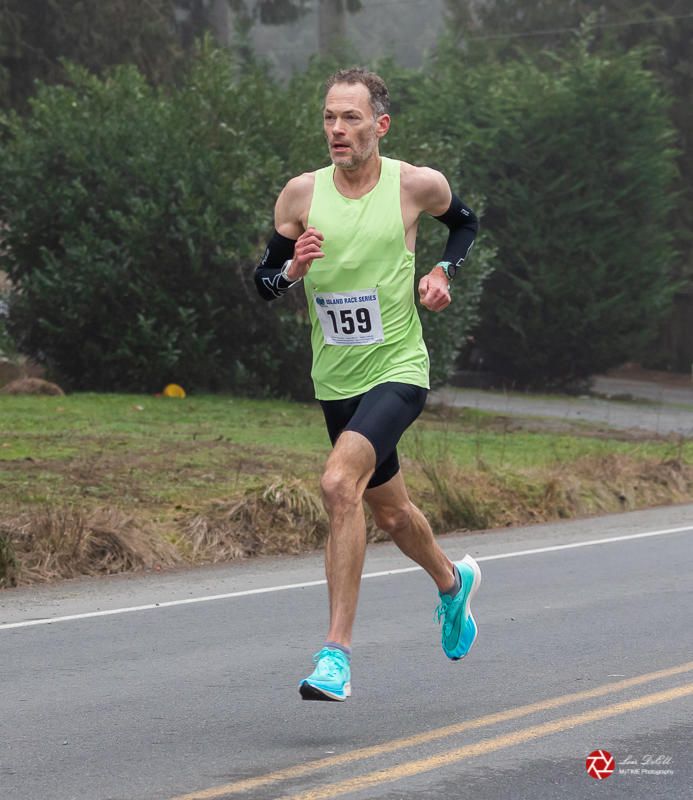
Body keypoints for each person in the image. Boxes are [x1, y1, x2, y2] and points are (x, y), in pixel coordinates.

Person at [254, 67, 481, 702]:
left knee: (336, 483)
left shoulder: (415, 185)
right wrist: (292, 269)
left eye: (350, 118)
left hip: (398, 370)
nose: (336, 129)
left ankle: (336, 655)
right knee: (390, 512)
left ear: (379, 125)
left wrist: (441, 271)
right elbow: (264, 281)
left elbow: (464, 223)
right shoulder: (300, 196)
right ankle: (450, 583)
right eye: (329, 117)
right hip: (336, 381)